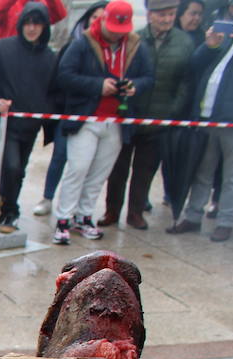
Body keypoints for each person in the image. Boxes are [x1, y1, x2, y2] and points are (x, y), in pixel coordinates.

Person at [50, 0, 154, 245]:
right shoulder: (83, 43)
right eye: (114, 30)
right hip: (86, 117)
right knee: (78, 168)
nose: (117, 35)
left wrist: (133, 86)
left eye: (122, 31)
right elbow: (64, 75)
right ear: (104, 21)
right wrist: (98, 85)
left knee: (100, 172)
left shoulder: (136, 45)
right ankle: (63, 218)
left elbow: (149, 77)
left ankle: (84, 216)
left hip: (117, 120)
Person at [101, 0, 193, 230]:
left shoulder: (184, 43)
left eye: (171, 14)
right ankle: (112, 210)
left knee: (145, 170)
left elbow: (186, 82)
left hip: (160, 119)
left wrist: (173, 110)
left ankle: (135, 212)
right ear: (150, 15)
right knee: (118, 168)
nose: (167, 19)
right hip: (131, 116)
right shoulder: (134, 39)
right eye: (162, 14)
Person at [32, 1, 109, 216]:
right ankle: (48, 198)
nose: (98, 22)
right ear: (87, 19)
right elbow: (60, 79)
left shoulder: (113, 51)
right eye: (95, 17)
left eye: (104, 18)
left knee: (87, 165)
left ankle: (79, 208)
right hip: (70, 112)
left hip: (97, 115)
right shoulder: (74, 45)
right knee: (60, 156)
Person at [0, 2, 55, 233]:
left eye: (37, 23)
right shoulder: (3, 48)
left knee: (19, 169)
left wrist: (47, 118)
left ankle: (6, 204)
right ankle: (9, 209)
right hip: (7, 124)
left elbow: (53, 92)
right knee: (12, 165)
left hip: (31, 126)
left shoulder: (49, 57)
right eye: (27, 22)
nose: (32, 28)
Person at [166, 25, 233, 242]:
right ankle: (193, 215)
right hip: (207, 118)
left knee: (232, 176)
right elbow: (195, 67)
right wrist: (209, 45)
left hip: (232, 123)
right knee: (201, 171)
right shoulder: (225, 43)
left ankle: (225, 221)